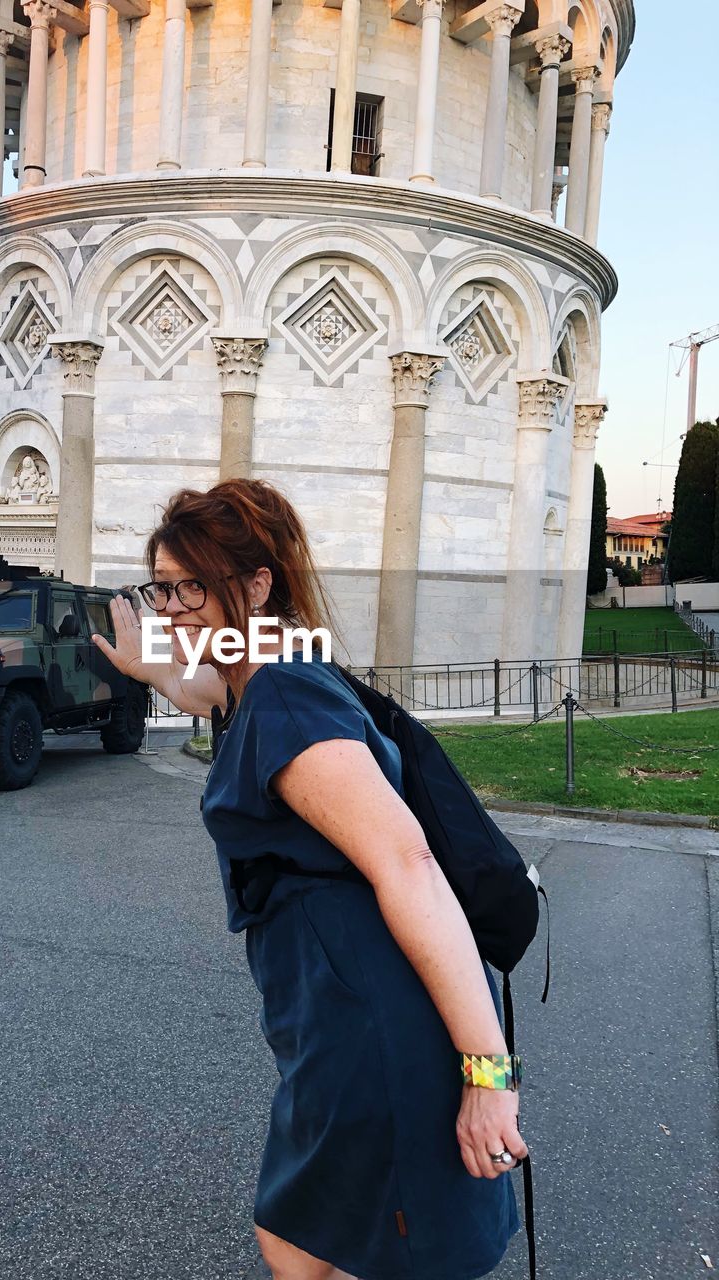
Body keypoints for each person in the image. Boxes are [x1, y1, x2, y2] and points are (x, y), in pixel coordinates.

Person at [92, 479, 526, 1280]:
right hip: (332, 1013)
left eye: (194, 585)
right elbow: (209, 688)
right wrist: (153, 669)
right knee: (312, 1239)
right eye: (163, 585)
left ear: (257, 585)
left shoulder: (285, 692)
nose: (175, 606)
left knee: (330, 1248)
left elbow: (410, 865)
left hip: (371, 1021)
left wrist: (489, 1073)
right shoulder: (264, 668)